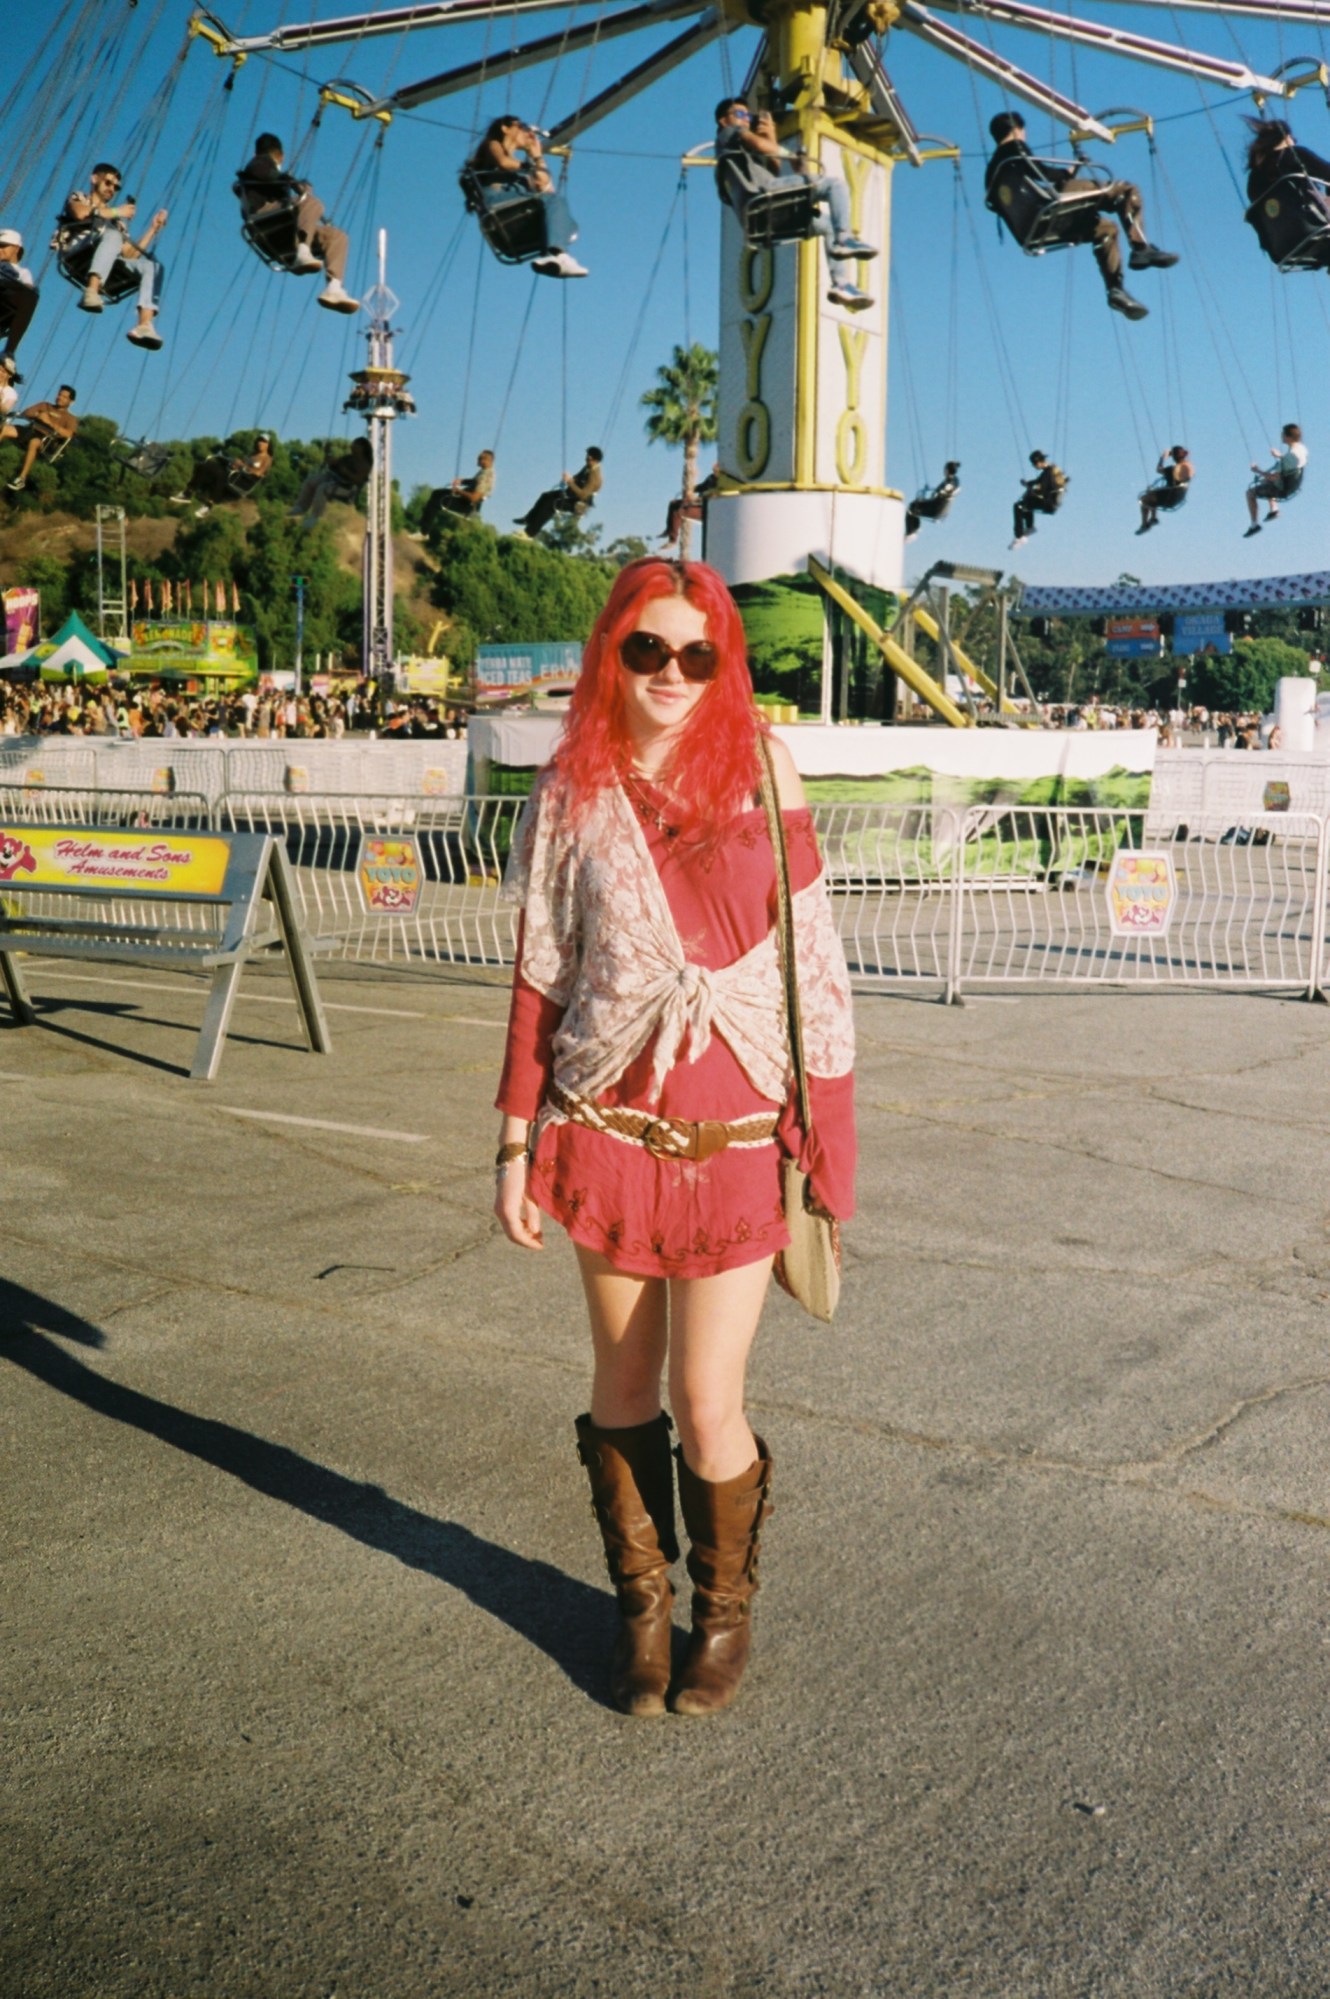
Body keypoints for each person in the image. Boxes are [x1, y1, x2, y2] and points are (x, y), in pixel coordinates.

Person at [494, 556, 856, 1718]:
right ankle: (640, 1608)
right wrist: (512, 1142)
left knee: (710, 1398)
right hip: (607, 1127)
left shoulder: (765, 766)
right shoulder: (572, 787)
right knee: (621, 1386)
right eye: (645, 649)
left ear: (725, 664)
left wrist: (829, 1143)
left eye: (696, 655)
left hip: (738, 1135)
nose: (669, 673)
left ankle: (724, 1611)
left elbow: (813, 966)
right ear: (613, 650)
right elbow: (540, 975)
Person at [985, 112, 1175, 322]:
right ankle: (1141, 249)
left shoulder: (991, 172)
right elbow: (1042, 173)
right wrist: (1070, 171)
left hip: (1034, 229)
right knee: (1126, 191)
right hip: (1050, 210)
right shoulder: (1014, 149)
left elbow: (1010, 197)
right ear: (1018, 130)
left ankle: (1116, 290)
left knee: (1106, 230)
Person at [715, 99, 876, 312]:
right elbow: (763, 148)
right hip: (761, 198)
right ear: (724, 120)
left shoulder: (743, 157)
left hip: (765, 214)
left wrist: (770, 134)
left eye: (749, 117)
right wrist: (789, 153)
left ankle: (841, 284)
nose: (746, 120)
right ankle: (844, 239)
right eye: (740, 114)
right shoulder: (728, 134)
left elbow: (774, 168)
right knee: (833, 185)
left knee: (827, 225)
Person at [236, 134, 360, 313]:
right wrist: (297, 185)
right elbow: (273, 179)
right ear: (281, 155)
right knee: (311, 202)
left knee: (337, 237)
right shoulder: (260, 163)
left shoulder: (258, 166)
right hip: (265, 219)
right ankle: (303, 250)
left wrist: (294, 186)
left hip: (281, 229)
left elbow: (278, 182)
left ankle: (334, 288)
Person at [57, 163, 168, 348]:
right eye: (108, 183)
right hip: (80, 248)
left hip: (107, 254)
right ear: (94, 179)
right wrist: (117, 211)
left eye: (116, 187)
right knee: (113, 234)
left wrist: (153, 229)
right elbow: (80, 213)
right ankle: (91, 290)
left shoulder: (116, 222)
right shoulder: (80, 197)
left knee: (154, 267)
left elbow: (129, 255)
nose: (112, 189)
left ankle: (144, 325)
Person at [466, 116, 586, 279]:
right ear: (505, 128)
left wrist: (535, 154)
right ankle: (558, 253)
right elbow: (504, 163)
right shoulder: (493, 144)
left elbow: (542, 184)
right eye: (522, 126)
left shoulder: (520, 170)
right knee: (554, 201)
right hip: (497, 201)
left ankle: (557, 257)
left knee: (559, 209)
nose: (526, 131)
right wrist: (529, 167)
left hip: (515, 209)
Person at [170, 435, 274, 517]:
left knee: (221, 474)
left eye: (264, 441)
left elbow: (259, 473)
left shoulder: (267, 459)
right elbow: (241, 465)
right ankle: (188, 492)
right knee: (206, 465)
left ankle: (208, 505)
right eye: (259, 440)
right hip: (235, 475)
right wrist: (235, 463)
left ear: (268, 445)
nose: (260, 443)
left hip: (243, 482)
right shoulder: (251, 455)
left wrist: (243, 466)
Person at [514, 445, 603, 537]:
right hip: (572, 496)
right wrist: (570, 479)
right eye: (587, 456)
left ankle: (529, 533)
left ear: (595, 460)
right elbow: (577, 477)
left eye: (589, 457)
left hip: (579, 504)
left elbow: (583, 495)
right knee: (546, 496)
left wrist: (569, 482)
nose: (587, 458)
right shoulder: (588, 467)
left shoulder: (595, 476)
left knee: (552, 504)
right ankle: (528, 519)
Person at [1244, 119, 1330, 213]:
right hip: (1312, 217)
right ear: (1285, 137)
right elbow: (1327, 172)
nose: (1294, 141)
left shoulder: (1254, 177)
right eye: (1292, 137)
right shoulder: (1294, 154)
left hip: (1280, 226)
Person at [3, 383, 77, 491]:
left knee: (34, 441)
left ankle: (21, 478)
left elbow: (68, 434)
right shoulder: (45, 405)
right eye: (59, 395)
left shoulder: (70, 418)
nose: (60, 398)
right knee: (4, 429)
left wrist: (50, 422)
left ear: (71, 402)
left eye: (64, 397)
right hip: (31, 430)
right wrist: (38, 415)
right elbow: (27, 412)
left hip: (46, 441)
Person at [288, 436, 374, 527]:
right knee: (311, 481)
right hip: (335, 480)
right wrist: (328, 452)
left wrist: (346, 472)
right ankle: (300, 507)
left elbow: (358, 480)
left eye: (355, 444)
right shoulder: (349, 458)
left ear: (362, 448)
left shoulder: (365, 464)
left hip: (347, 488)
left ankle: (315, 515)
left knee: (323, 488)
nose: (352, 446)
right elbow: (334, 462)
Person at [1245, 422, 1307, 535]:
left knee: (1250, 493)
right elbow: (1294, 461)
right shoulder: (1301, 449)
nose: (1281, 436)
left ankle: (1254, 525)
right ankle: (1274, 510)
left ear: (1288, 437)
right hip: (1295, 484)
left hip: (1284, 489)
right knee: (1266, 482)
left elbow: (1272, 476)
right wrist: (1280, 456)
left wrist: (1257, 470)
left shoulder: (1287, 460)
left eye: (1283, 434)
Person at [423, 449, 495, 529]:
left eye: (480, 458)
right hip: (464, 500)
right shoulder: (484, 471)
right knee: (436, 493)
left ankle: (423, 532)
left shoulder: (486, 476)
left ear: (488, 460)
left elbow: (474, 498)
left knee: (437, 500)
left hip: (467, 506)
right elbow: (475, 482)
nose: (477, 460)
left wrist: (458, 491)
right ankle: (424, 526)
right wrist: (461, 481)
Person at [1010, 449, 1067, 547]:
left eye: (1033, 464)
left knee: (1018, 506)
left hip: (1049, 503)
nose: (1033, 466)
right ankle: (1029, 527)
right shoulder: (1049, 470)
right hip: (1051, 502)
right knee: (1026, 503)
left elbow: (1042, 487)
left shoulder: (1048, 473)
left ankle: (1019, 536)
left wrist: (1031, 489)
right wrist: (1028, 484)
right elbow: (1038, 482)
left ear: (1038, 462)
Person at [0, 228, 39, 366]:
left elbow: (27, 289)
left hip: (5, 300)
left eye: (4, 246)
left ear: (16, 248)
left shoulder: (23, 272)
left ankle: (9, 351)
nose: (0, 249)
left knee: (30, 295)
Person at [660, 467, 719, 550]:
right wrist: (690, 490)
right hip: (699, 503)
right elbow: (700, 487)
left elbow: (717, 497)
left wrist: (697, 499)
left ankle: (672, 540)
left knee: (679, 510)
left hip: (708, 509)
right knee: (673, 503)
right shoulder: (711, 477)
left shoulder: (723, 482)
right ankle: (669, 530)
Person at [1138, 445, 1192, 533]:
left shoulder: (1172, 469)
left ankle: (1144, 523)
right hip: (1178, 497)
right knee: (1152, 495)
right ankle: (1153, 518)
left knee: (1144, 499)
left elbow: (1159, 469)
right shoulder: (1187, 468)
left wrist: (1163, 458)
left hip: (1169, 497)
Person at [904, 460, 961, 540]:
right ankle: (914, 529)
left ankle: (911, 531)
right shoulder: (953, 480)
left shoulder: (951, 482)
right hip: (937, 506)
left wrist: (942, 492)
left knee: (912, 507)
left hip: (937, 509)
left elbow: (950, 489)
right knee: (915, 504)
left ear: (947, 470)